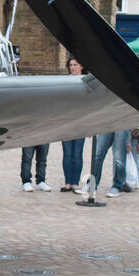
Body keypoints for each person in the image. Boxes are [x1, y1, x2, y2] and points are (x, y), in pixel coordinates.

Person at [60, 57, 87, 192]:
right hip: (66, 122)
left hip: (80, 123)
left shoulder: (86, 81)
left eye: (75, 65)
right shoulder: (65, 81)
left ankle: (75, 182)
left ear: (81, 66)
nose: (73, 67)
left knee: (77, 153)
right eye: (70, 65)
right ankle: (68, 182)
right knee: (67, 153)